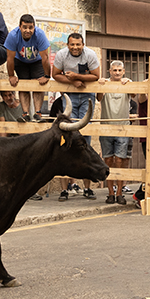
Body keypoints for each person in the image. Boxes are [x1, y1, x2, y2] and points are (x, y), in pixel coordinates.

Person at [50, 32, 101, 201]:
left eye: (78, 44)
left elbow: (96, 75)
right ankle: (65, 189)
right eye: (72, 44)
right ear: (67, 45)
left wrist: (77, 76)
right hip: (69, 96)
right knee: (67, 138)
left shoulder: (90, 54)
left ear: (83, 44)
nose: (75, 47)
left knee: (85, 138)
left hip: (87, 96)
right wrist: (71, 82)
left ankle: (87, 188)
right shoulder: (61, 55)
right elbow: (55, 74)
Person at [97, 59, 133, 205]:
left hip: (123, 128)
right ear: (110, 71)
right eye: (114, 70)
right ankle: (110, 193)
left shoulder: (128, 83)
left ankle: (119, 193)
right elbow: (99, 98)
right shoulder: (104, 83)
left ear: (123, 71)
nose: (117, 73)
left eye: (119, 70)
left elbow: (135, 95)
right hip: (106, 127)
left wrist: (128, 82)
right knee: (108, 161)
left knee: (120, 161)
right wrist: (101, 85)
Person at [5, 14, 51, 121]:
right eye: (25, 27)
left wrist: (47, 75)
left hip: (37, 60)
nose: (28, 30)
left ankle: (38, 113)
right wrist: (11, 75)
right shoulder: (13, 36)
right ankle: (25, 114)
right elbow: (10, 58)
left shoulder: (40, 35)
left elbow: (45, 57)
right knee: (23, 85)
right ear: (19, 27)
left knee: (38, 84)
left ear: (34, 27)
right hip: (20, 60)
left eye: (30, 27)